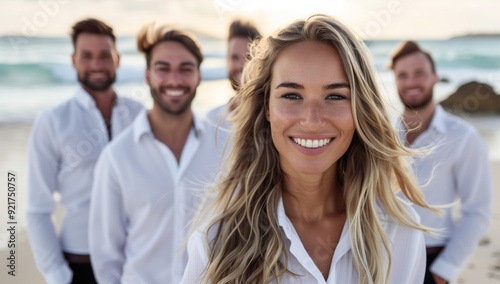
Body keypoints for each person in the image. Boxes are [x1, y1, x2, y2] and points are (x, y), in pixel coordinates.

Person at [180, 14, 438, 284]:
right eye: (292, 95)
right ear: (266, 107)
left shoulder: (399, 231)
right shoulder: (216, 242)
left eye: (335, 96)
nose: (312, 121)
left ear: (360, 109)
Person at [88, 23, 224, 284]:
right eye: (163, 69)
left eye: (185, 69)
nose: (174, 80)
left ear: (199, 76)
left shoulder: (224, 147)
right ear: (147, 75)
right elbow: (106, 258)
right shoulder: (117, 157)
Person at [26, 18, 143, 284]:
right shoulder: (53, 120)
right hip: (79, 263)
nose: (96, 65)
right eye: (86, 56)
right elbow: (37, 208)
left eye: (104, 55)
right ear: (73, 61)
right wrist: (58, 275)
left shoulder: (139, 115)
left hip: (134, 261)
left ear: (118, 59)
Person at [390, 41, 493, 284]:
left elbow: (477, 212)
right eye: (402, 75)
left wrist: (442, 272)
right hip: (381, 256)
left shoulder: (463, 137)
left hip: (431, 258)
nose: (411, 82)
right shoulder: (381, 135)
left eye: (419, 73)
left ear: (435, 77)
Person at [206, 19, 261, 129]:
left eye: (248, 57)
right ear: (227, 61)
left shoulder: (272, 120)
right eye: (234, 58)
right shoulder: (211, 121)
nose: (241, 65)